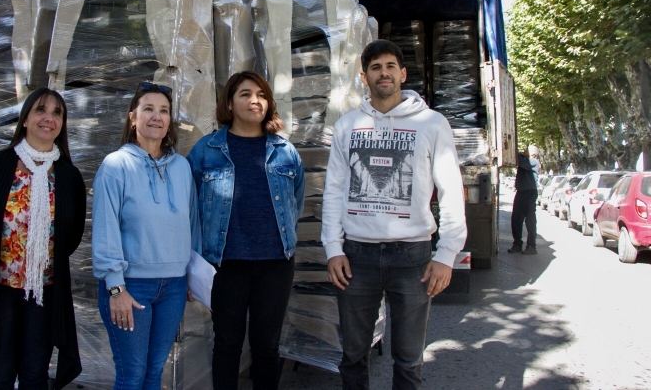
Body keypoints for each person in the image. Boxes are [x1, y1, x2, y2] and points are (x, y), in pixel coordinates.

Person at [321, 40, 467, 390]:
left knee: (409, 359)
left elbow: (450, 188)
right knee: (354, 355)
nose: (383, 73)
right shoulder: (347, 126)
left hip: (412, 256)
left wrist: (446, 254)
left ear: (402, 74)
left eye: (390, 66)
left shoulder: (432, 124)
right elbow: (334, 190)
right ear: (364, 77)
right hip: (357, 256)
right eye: (375, 67)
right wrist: (333, 248)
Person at [0, 88, 87, 390]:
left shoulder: (68, 176)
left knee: (34, 374)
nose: (49, 118)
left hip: (44, 293)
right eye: (41, 110)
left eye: (57, 113)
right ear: (25, 119)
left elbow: (73, 233)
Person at [187, 70, 305, 390]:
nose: (255, 100)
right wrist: (193, 263)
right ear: (229, 102)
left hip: (275, 264)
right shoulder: (205, 151)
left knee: (267, 347)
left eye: (262, 95)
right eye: (245, 94)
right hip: (225, 265)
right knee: (227, 344)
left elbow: (296, 202)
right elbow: (190, 211)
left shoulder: (285, 152)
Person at [92, 81, 201, 390]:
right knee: (132, 376)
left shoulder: (181, 167)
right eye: (148, 109)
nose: (157, 117)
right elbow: (105, 230)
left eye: (164, 111)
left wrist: (192, 277)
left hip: (174, 287)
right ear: (132, 117)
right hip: (130, 287)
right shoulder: (115, 166)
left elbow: (192, 225)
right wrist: (115, 289)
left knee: (154, 374)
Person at [508, 145, 541, 255]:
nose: (524, 151)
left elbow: (520, 160)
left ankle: (531, 246)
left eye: (527, 149)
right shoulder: (526, 161)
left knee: (530, 220)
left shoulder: (533, 162)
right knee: (516, 219)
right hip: (521, 192)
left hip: (529, 193)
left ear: (532, 153)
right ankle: (517, 244)